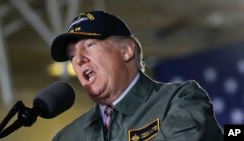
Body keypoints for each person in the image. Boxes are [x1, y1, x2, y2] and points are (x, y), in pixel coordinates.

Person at [50, 10, 223, 141]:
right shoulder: (68, 136)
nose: (79, 59)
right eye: (72, 55)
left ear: (126, 50)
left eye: (90, 45)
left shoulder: (180, 100)